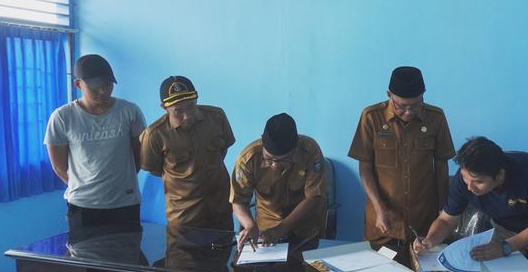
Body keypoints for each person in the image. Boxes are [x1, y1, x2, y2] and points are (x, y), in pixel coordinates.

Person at [413, 137, 528, 270]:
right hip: (505, 227)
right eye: (465, 179)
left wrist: (504, 248)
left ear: (500, 175)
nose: (469, 187)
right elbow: (446, 220)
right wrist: (430, 240)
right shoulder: (464, 179)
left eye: (478, 182)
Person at [348, 66, 455, 250]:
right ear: (389, 94)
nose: (408, 112)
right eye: (401, 106)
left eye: (415, 105)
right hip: (383, 223)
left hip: (424, 223)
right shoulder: (371, 117)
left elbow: (441, 167)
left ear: (423, 95)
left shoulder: (436, 118)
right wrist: (379, 208)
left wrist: (442, 212)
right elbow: (365, 168)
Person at [45, 54, 146, 226]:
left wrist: (120, 183)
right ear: (78, 84)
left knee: (126, 252)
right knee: (83, 253)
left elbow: (139, 157)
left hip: (125, 203)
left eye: (108, 85)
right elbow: (59, 166)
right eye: (95, 87)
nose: (103, 91)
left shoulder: (129, 111)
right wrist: (86, 189)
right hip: (82, 206)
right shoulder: (62, 117)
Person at [139, 76, 235, 230]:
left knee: (224, 251)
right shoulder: (154, 135)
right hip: (184, 215)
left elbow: (223, 149)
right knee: (182, 254)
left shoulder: (217, 117)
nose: (187, 115)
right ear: (164, 107)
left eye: (191, 106)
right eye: (178, 111)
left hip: (220, 207)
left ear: (196, 99)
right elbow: (155, 170)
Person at [231, 113, 327, 251]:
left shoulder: (310, 151)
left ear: (295, 149)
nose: (275, 165)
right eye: (269, 158)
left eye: (283, 160)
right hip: (266, 232)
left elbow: (314, 197)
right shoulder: (248, 159)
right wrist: (250, 225)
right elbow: (238, 200)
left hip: (305, 227)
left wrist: (282, 228)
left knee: (306, 271)